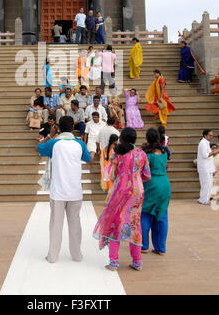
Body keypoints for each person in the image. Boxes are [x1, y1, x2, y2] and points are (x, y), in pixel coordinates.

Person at [93, 128, 151, 271]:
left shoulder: (118, 154)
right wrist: (136, 178)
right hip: (137, 192)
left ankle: (114, 262)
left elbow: (113, 176)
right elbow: (147, 175)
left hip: (120, 190)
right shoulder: (141, 153)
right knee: (134, 223)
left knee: (116, 223)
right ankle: (137, 262)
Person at [38, 116, 91, 264]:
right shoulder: (79, 144)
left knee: (56, 224)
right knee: (75, 224)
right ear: (72, 129)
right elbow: (87, 158)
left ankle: (53, 256)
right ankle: (77, 255)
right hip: (75, 191)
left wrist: (50, 134)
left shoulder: (54, 143)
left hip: (58, 192)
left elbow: (40, 148)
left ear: (58, 127)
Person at [141, 129, 172, 256]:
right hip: (165, 184)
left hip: (151, 184)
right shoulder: (165, 151)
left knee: (145, 214)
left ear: (147, 139)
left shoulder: (147, 154)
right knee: (162, 215)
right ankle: (161, 248)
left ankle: (144, 245)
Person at [197, 130, 218, 205]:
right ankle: (204, 200)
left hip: (208, 168)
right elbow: (205, 155)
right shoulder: (203, 143)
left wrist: (212, 169)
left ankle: (203, 199)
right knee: (206, 184)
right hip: (204, 168)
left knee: (208, 184)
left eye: (212, 135)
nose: (211, 137)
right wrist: (214, 152)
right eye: (210, 135)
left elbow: (209, 158)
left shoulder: (206, 143)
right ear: (205, 135)